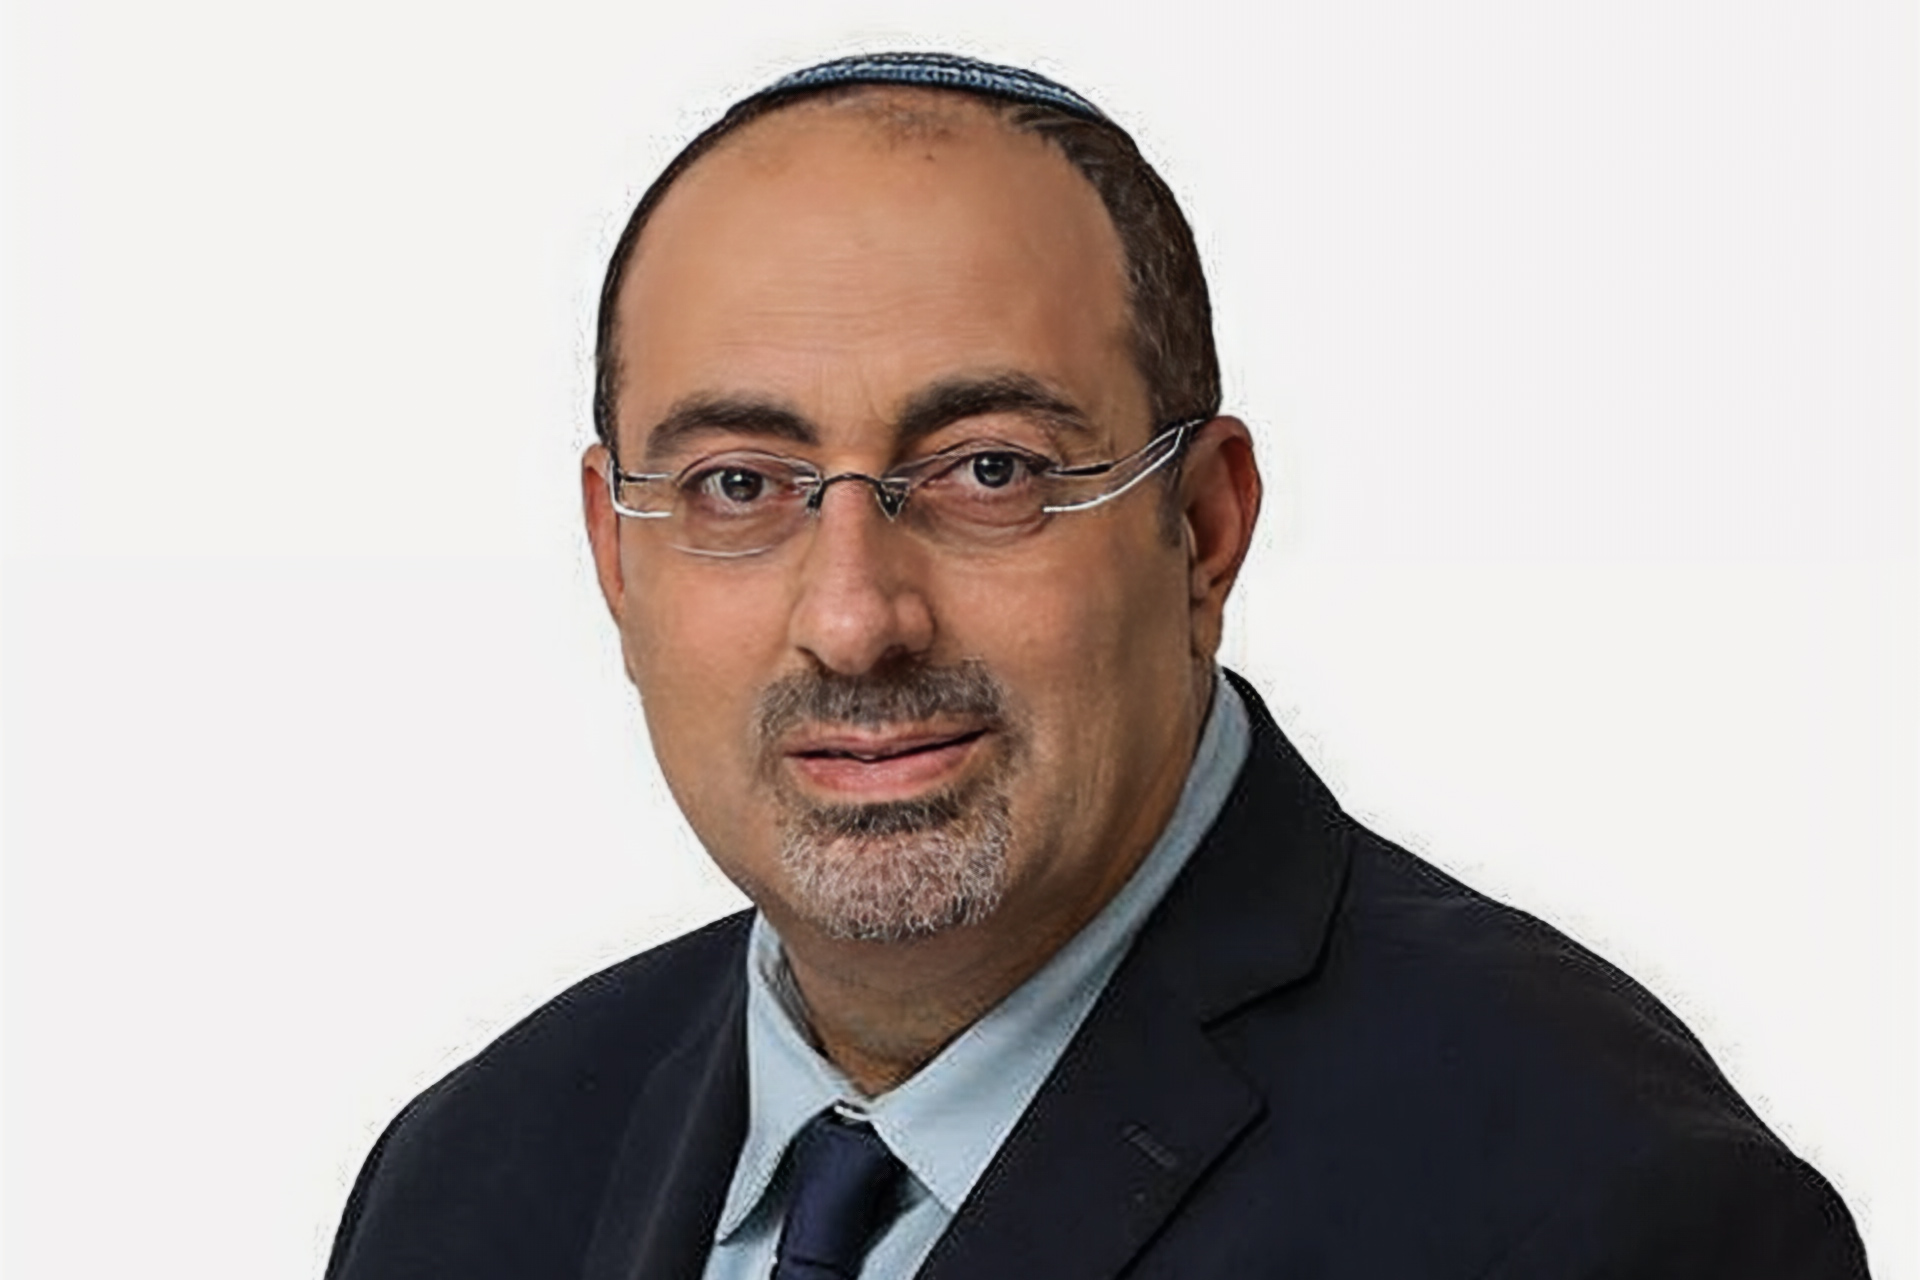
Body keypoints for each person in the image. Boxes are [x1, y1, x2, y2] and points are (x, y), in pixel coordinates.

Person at [324, 52, 1869, 1279]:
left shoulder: (1603, 1209)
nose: (855, 619)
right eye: (740, 485)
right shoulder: (467, 1181)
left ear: (1202, 529)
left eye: (989, 472)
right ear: (616, 553)